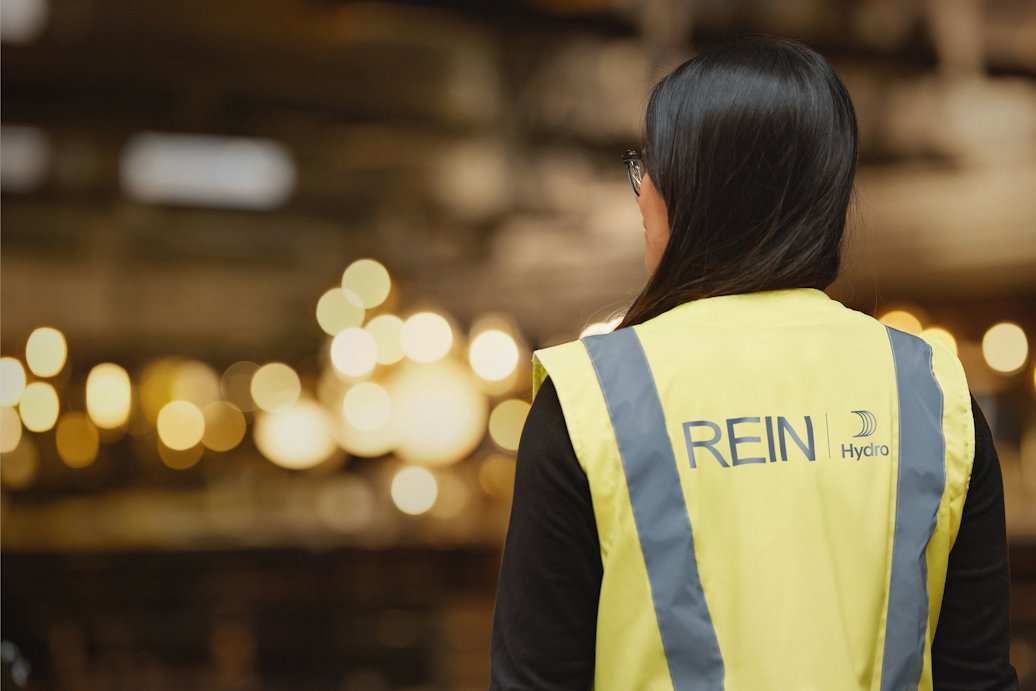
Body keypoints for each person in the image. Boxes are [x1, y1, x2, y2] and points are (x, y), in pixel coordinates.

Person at [489, 36, 1019, 690]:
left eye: (646, 167)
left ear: (690, 190)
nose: (641, 191)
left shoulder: (592, 397)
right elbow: (978, 677)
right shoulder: (932, 394)